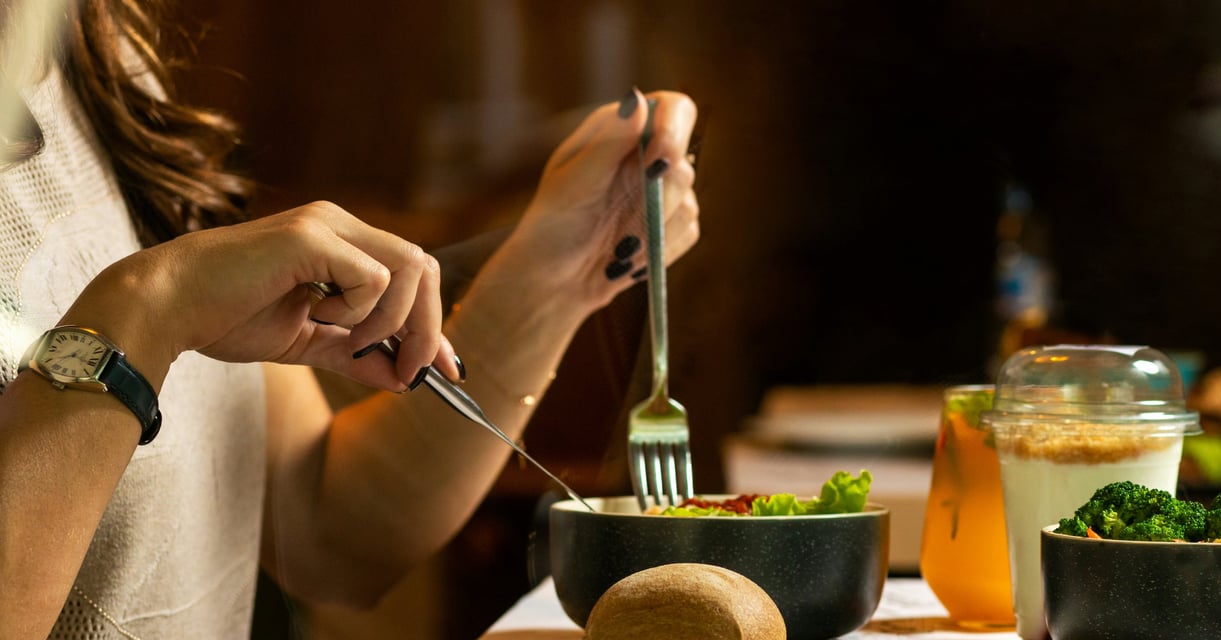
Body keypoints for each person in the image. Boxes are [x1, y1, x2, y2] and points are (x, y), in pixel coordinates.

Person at [0, 0, 699, 637]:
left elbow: (326, 527)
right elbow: (152, 309)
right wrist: (141, 316)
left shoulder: (91, 50)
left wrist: (557, 271)